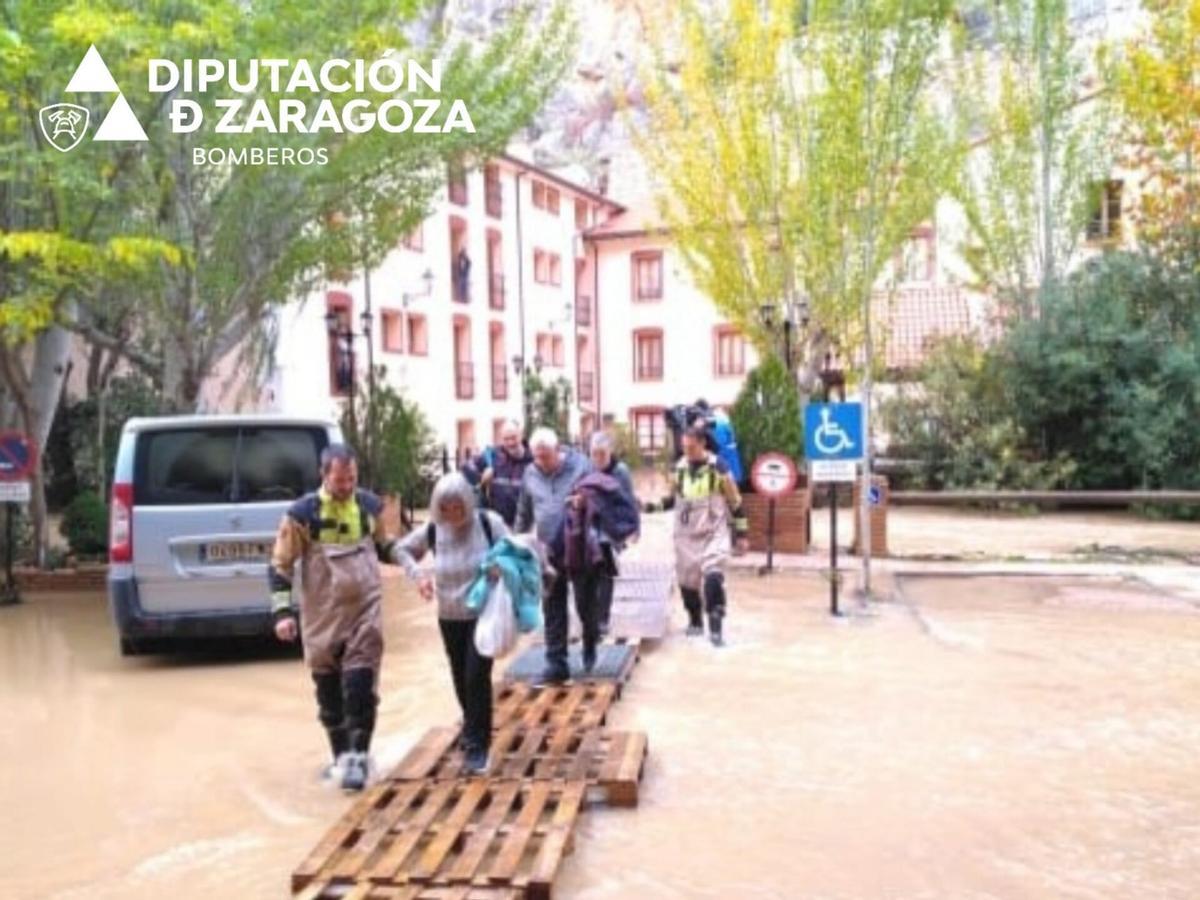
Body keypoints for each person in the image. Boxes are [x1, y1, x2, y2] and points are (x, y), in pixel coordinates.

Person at [268, 444, 403, 792]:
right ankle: (340, 757)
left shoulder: (369, 506)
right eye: (340, 481)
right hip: (322, 615)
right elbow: (280, 566)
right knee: (328, 694)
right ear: (324, 476)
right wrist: (282, 612)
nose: (347, 487)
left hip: (364, 610)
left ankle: (359, 758)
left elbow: (385, 546)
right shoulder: (302, 515)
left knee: (360, 686)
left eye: (352, 480)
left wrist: (413, 561)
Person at [392, 473, 508, 774]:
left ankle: (477, 746)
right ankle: (473, 729)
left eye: (458, 507)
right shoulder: (434, 529)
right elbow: (400, 549)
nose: (453, 514)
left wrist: (501, 567)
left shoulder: (488, 523)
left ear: (468, 503)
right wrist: (418, 576)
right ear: (437, 508)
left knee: (475, 677)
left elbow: (517, 553)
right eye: (446, 509)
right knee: (459, 678)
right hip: (449, 616)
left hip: (483, 614)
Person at [514, 427, 591, 684]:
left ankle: (590, 645)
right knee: (553, 607)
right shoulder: (530, 473)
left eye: (545, 456)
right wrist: (516, 544)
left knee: (585, 604)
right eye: (537, 456)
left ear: (558, 450)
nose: (541, 462)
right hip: (548, 551)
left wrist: (585, 502)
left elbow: (602, 499)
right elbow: (524, 512)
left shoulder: (581, 467)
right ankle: (556, 664)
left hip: (579, 547)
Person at [664, 425, 749, 647]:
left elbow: (735, 501)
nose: (687, 451)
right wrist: (649, 506)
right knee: (687, 581)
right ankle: (694, 620)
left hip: (714, 531)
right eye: (684, 447)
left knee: (713, 575)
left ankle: (716, 627)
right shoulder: (678, 468)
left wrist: (742, 533)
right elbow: (670, 499)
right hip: (685, 534)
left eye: (691, 447)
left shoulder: (718, 468)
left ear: (702, 444)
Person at [588, 432, 639, 635]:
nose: (598, 459)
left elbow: (630, 501)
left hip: (612, 529)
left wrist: (635, 528)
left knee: (606, 573)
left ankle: (602, 620)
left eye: (602, 454)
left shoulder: (621, 472)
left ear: (610, 452)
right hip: (590, 528)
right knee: (590, 574)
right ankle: (593, 616)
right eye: (594, 454)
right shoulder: (587, 469)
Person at [461, 420, 534, 527]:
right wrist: (482, 477)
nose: (510, 443)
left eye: (513, 437)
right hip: (498, 524)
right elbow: (466, 467)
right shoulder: (493, 455)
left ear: (521, 435)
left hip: (525, 525)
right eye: (506, 439)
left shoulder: (533, 459)